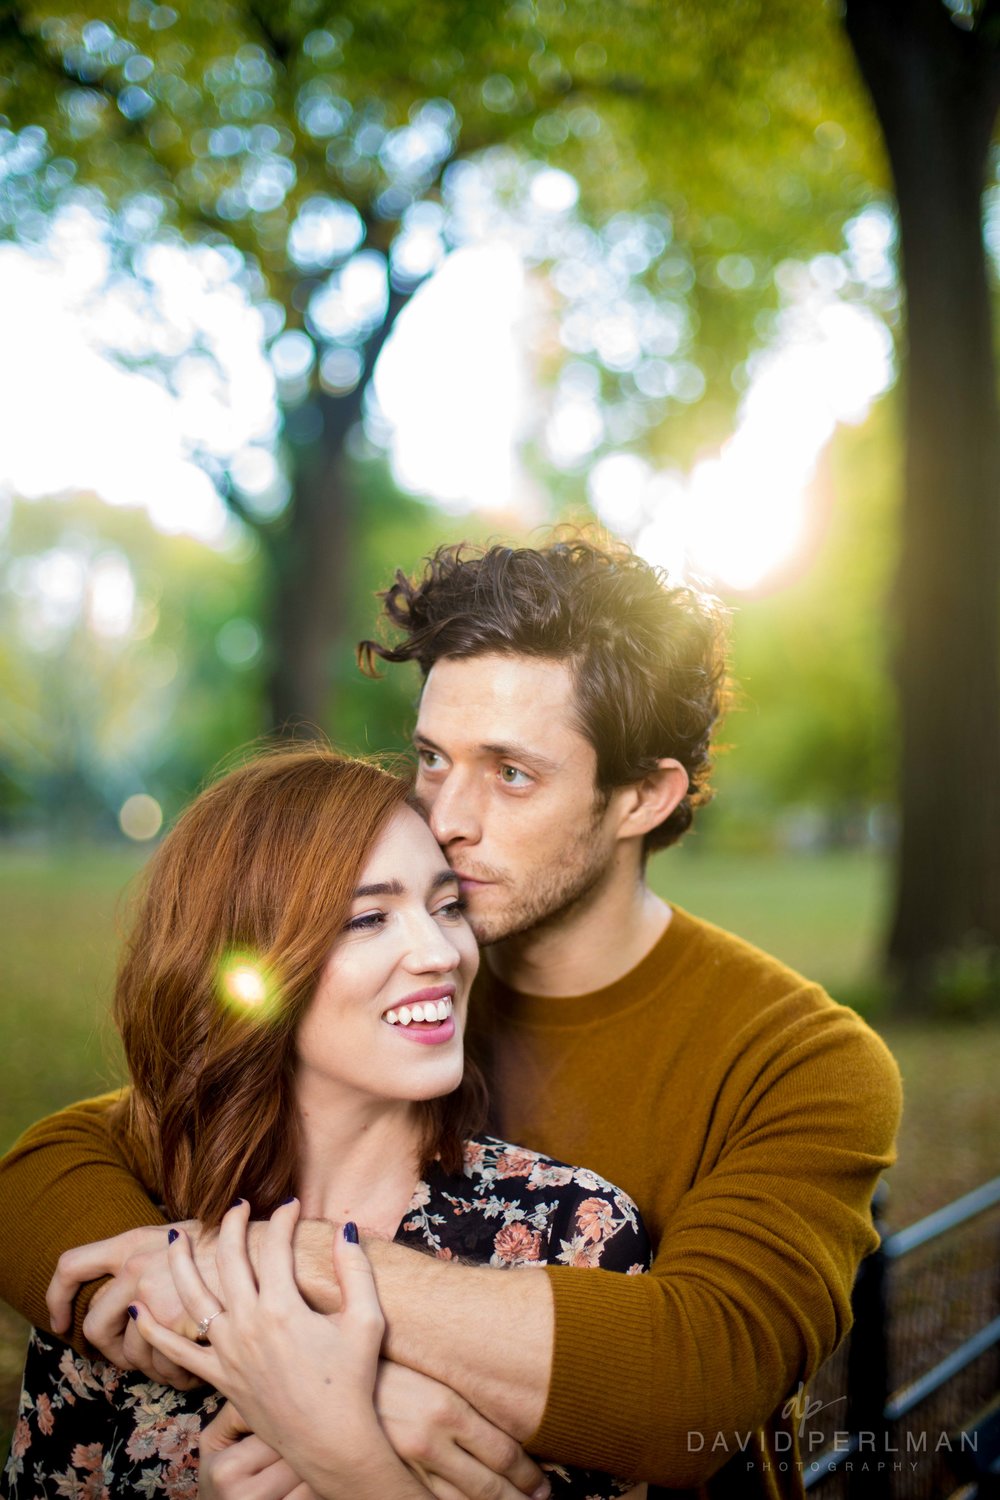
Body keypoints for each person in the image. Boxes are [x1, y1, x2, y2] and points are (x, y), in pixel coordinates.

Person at [0, 536, 902, 1500]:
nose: (446, 814)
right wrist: (275, 1357)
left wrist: (279, 1277)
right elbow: (58, 1164)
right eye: (433, 757)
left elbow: (691, 1390)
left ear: (643, 796)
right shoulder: (394, 994)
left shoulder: (804, 1059)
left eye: (511, 773)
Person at [0, 746, 649, 1500]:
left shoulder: (573, 1231)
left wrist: (356, 1466)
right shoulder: (136, 1245)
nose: (440, 951)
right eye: (369, 918)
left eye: (447, 908)